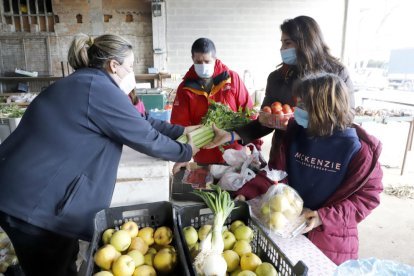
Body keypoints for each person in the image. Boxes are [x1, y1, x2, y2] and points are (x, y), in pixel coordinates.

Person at [0, 33, 200, 276]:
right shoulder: (97, 89)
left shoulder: (87, 83)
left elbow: (141, 121)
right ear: (113, 65)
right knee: (53, 268)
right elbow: (145, 138)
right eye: (130, 66)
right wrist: (186, 151)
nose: (132, 72)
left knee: (62, 257)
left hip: (25, 193)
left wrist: (182, 131)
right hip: (31, 203)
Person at [208, 73, 383, 265]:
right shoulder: (296, 132)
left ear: (324, 109)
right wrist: (247, 192)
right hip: (285, 221)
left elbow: (367, 198)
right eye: (297, 104)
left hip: (329, 238)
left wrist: (323, 217)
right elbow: (276, 171)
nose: (295, 111)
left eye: (302, 106)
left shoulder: (359, 151)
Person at [233, 15, 355, 164]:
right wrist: (233, 135)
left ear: (306, 43)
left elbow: (347, 118)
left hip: (321, 157)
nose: (282, 49)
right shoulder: (277, 77)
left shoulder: (337, 74)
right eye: (282, 43)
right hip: (284, 153)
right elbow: (264, 121)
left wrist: (307, 121)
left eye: (287, 43)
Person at [170, 37, 261, 173]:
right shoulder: (185, 88)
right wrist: (183, 153)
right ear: (192, 59)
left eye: (207, 61)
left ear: (215, 58)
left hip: (233, 154)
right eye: (198, 62)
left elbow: (250, 115)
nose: (203, 65)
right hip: (203, 154)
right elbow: (179, 124)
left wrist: (256, 147)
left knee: (234, 188)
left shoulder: (232, 79)